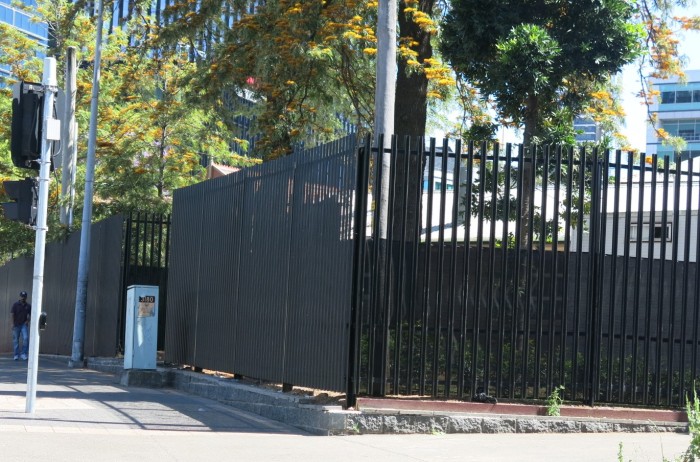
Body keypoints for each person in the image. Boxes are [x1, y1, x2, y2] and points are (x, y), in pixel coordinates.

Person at [11, 291, 30, 361]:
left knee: (25, 338)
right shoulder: (15, 304)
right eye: (22, 296)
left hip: (23, 325)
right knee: (15, 340)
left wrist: (27, 321)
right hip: (16, 325)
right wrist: (12, 324)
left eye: (24, 296)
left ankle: (23, 354)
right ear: (20, 297)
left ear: (26, 297)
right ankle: (16, 355)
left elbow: (31, 314)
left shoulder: (28, 306)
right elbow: (12, 314)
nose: (23, 298)